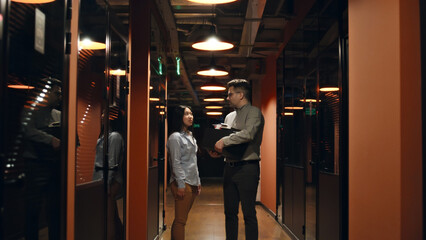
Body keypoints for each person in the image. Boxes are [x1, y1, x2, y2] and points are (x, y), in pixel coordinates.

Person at [212, 79, 265, 240]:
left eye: (230, 94)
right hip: (229, 168)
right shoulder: (229, 116)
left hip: (248, 168)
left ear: (241, 95)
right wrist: (219, 151)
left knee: (248, 213)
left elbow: (248, 134)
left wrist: (224, 142)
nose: (227, 98)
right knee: (229, 212)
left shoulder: (254, 112)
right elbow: (227, 139)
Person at [21, 77, 62, 240]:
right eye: (56, 93)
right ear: (46, 93)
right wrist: (50, 139)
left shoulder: (59, 114)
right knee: (33, 208)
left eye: (60, 94)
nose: (60, 97)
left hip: (54, 165)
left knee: (55, 208)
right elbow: (28, 131)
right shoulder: (30, 110)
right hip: (35, 165)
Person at [167, 105, 201, 240]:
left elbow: (194, 161)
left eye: (191, 113)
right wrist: (180, 184)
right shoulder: (175, 137)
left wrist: (198, 182)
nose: (190, 116)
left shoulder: (191, 136)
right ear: (179, 117)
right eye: (186, 114)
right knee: (181, 220)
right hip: (182, 182)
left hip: (192, 181)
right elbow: (176, 162)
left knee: (183, 218)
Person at [93, 113, 124, 240]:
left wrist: (106, 184)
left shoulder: (115, 136)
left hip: (111, 180)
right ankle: (120, 235)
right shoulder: (104, 136)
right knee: (111, 213)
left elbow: (112, 162)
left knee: (108, 216)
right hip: (102, 178)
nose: (101, 116)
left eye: (105, 115)